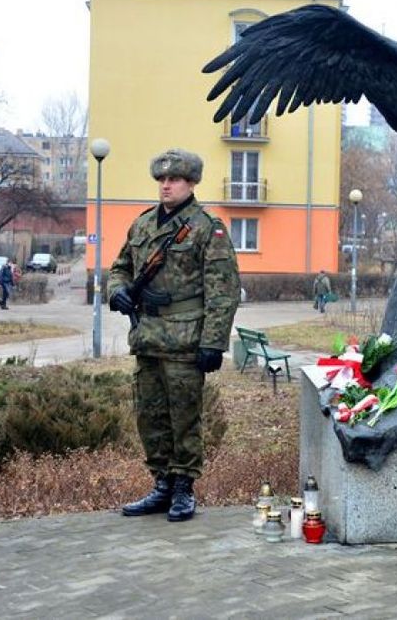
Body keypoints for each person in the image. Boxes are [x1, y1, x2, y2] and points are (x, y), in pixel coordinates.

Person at [107, 149, 241, 522]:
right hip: (148, 338)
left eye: (175, 180)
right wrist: (116, 290)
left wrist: (213, 342)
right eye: (162, 180)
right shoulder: (143, 225)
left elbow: (223, 291)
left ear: (191, 183)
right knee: (150, 417)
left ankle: (183, 487)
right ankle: (161, 484)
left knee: (184, 417)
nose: (166, 185)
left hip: (185, 340)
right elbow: (119, 268)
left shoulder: (207, 228)